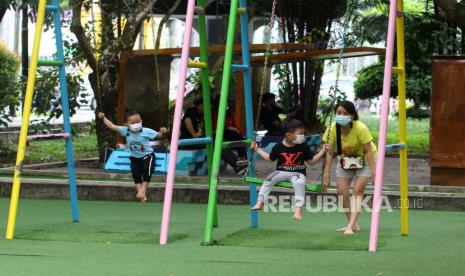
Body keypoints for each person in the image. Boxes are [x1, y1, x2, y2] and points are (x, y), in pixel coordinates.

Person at [250, 119, 328, 220]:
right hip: (281, 172)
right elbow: (270, 158)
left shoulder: (303, 147)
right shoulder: (278, 147)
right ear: (288, 135)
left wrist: (322, 152)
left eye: (303, 133)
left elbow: (311, 162)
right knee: (269, 179)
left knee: (299, 183)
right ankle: (260, 202)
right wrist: (257, 149)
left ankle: (298, 210)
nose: (303, 136)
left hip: (297, 173)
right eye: (300, 134)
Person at [322, 100, 377, 235]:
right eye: (339, 113)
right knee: (341, 192)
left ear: (352, 115)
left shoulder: (360, 128)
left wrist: (374, 172)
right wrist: (326, 174)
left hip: (365, 159)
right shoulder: (332, 129)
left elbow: (369, 151)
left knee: (357, 191)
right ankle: (354, 224)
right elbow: (329, 153)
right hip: (346, 160)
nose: (341, 115)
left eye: (345, 113)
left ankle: (350, 226)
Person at [98, 110, 167, 202]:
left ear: (141, 121)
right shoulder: (124, 130)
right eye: (133, 123)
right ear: (126, 124)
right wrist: (103, 118)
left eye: (138, 122)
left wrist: (163, 131)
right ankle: (142, 196)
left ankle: (143, 191)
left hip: (148, 155)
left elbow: (158, 135)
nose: (136, 124)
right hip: (135, 158)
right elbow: (111, 126)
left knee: (147, 169)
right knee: (136, 174)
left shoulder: (146, 131)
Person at [181, 97, 247, 174]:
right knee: (217, 146)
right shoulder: (193, 110)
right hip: (191, 141)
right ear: (202, 104)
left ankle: (238, 161)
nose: (209, 108)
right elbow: (187, 121)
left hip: (201, 140)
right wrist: (194, 135)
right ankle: (236, 165)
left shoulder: (201, 114)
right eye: (208, 105)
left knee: (219, 143)